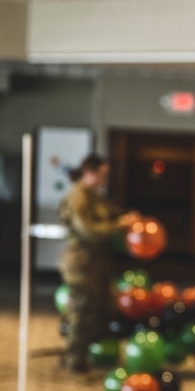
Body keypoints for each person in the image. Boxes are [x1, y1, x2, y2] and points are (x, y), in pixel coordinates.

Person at [58, 153, 138, 373]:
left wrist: (126, 218)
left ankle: (84, 353)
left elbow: (112, 214)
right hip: (81, 264)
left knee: (104, 309)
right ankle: (74, 358)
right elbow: (89, 231)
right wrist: (120, 224)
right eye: (101, 175)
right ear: (88, 172)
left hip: (98, 264)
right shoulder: (79, 198)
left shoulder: (96, 197)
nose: (104, 180)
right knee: (82, 311)